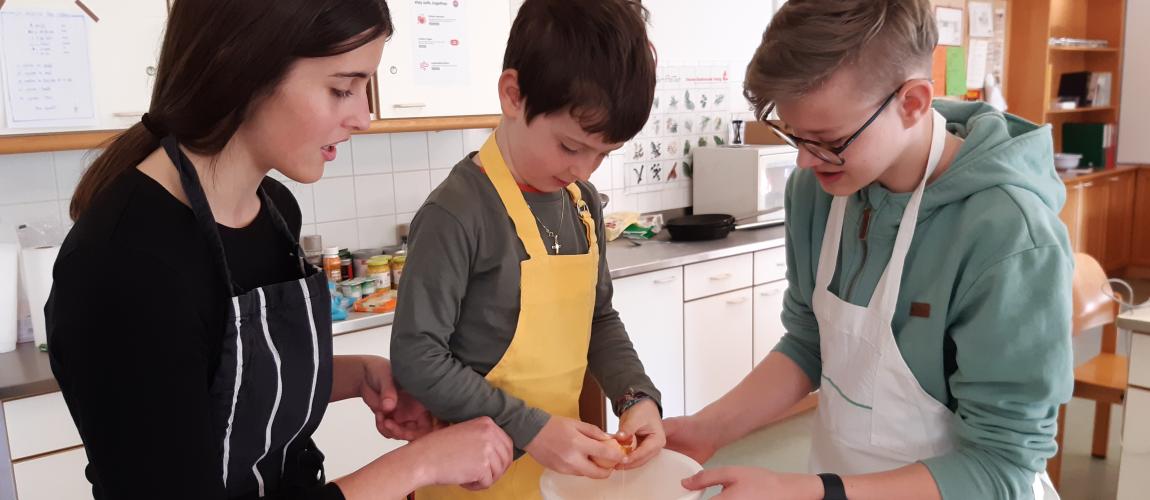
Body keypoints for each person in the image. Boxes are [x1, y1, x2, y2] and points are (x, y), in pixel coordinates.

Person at [46, 1, 512, 498]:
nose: (363, 117)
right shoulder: (127, 267)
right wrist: (416, 467)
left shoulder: (273, 210)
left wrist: (358, 375)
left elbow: (223, 383)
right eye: (341, 89)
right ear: (242, 66)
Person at [665, 1, 1073, 499]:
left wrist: (814, 492)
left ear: (913, 102)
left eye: (828, 140)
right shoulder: (818, 189)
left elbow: (1000, 466)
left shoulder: (1010, 236)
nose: (805, 159)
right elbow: (809, 343)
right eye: (793, 135)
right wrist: (708, 429)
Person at [389, 0, 666, 498]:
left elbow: (597, 318)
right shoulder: (458, 211)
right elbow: (417, 356)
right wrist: (531, 427)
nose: (585, 170)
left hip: (560, 471)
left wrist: (636, 395)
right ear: (513, 95)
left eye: (604, 153)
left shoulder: (580, 205)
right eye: (570, 146)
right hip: (474, 478)